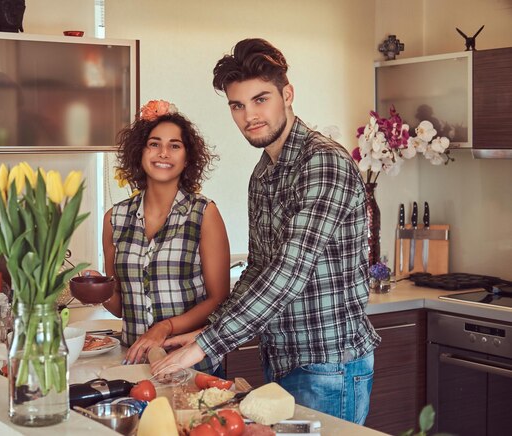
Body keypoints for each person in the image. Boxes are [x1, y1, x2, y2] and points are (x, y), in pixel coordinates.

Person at [152, 39, 381, 424]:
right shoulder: (262, 174)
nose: (249, 116)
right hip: (281, 360)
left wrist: (205, 344)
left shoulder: (323, 163)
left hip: (329, 366)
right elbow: (259, 267)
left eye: (261, 100)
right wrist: (209, 330)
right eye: (238, 106)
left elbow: (289, 271)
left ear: (287, 94)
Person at [100, 100, 231, 375]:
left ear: (187, 158)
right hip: (134, 366)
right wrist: (97, 292)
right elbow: (122, 307)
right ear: (140, 152)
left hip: (192, 365)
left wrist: (165, 327)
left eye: (175, 145)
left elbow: (218, 299)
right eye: (154, 144)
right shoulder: (115, 219)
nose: (163, 153)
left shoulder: (204, 213)